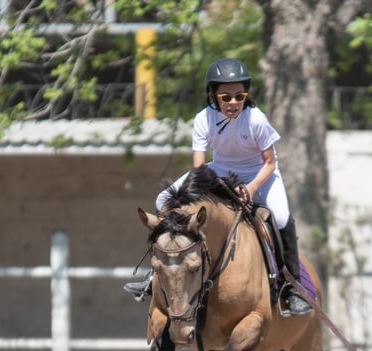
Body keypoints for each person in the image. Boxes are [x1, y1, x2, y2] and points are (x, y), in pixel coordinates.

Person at [125, 57, 311, 316]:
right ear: (213, 95)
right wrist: (220, 186)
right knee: (161, 201)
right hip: (217, 170)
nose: (233, 103)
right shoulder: (204, 118)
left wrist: (252, 188)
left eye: (239, 96)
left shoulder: (256, 119)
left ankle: (292, 288)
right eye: (226, 97)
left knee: (281, 217)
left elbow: (269, 163)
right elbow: (200, 167)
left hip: (260, 173)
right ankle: (153, 277)